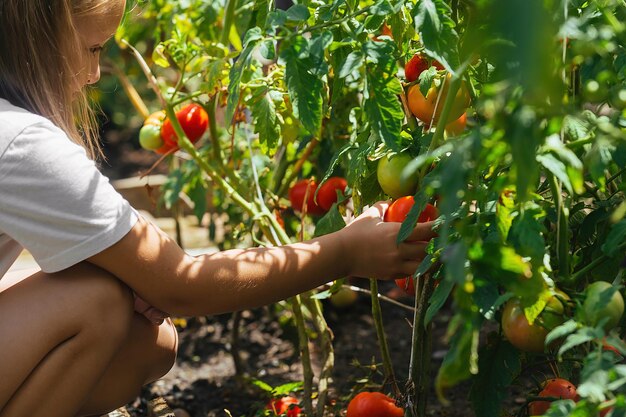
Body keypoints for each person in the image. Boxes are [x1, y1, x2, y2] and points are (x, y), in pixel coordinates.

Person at [0, 1, 437, 416]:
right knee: (96, 298)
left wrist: (127, 267)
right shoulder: (23, 143)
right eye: (93, 48)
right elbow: (181, 285)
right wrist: (344, 252)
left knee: (143, 341)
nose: (95, 74)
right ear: (39, 35)